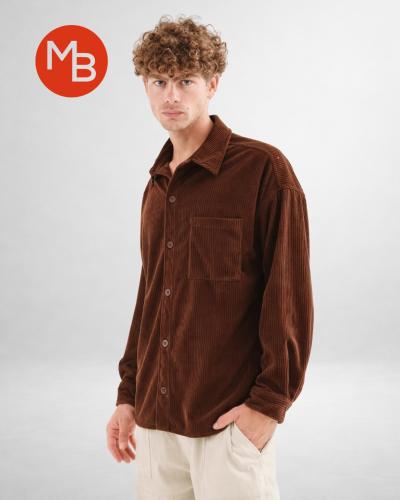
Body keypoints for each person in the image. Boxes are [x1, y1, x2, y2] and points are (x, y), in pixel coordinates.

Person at [106, 14, 314, 500]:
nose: (171, 95)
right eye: (159, 81)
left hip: (228, 424)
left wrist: (268, 405)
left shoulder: (263, 170)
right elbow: (151, 296)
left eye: (186, 80)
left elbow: (288, 295)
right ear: (145, 86)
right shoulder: (158, 184)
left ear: (212, 84)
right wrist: (129, 395)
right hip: (156, 425)